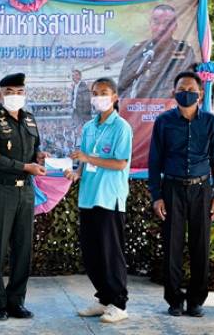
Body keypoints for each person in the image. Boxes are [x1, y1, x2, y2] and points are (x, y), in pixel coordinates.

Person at [148, 71, 214, 317]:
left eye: (191, 89)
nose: (187, 93)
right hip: (172, 189)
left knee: (200, 246)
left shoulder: (210, 122)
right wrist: (157, 196)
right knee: (172, 246)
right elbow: (154, 162)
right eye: (182, 89)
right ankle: (174, 300)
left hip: (202, 190)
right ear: (174, 92)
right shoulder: (163, 121)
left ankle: (196, 300)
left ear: (200, 94)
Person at [0, 72, 48, 321]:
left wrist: (38, 157)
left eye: (19, 92)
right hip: (1, 190)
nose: (15, 96)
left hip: (26, 191)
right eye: (9, 92)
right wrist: (26, 166)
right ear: (0, 94)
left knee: (23, 249)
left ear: (25, 94)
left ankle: (16, 301)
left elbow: (35, 148)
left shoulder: (29, 119)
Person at [64, 77, 133, 323]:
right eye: (95, 93)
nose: (98, 97)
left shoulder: (121, 127)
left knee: (110, 253)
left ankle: (119, 304)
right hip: (88, 197)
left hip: (109, 198)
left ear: (114, 97)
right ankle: (104, 299)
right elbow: (83, 161)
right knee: (92, 253)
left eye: (104, 92)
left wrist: (87, 159)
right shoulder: (89, 127)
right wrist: (76, 173)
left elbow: (121, 163)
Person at [117, 5, 196, 99]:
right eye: (156, 22)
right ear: (150, 24)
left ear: (175, 26)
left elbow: (192, 85)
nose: (161, 28)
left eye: (167, 23)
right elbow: (122, 86)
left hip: (173, 106)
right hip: (141, 106)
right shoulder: (137, 50)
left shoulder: (184, 50)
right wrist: (140, 66)